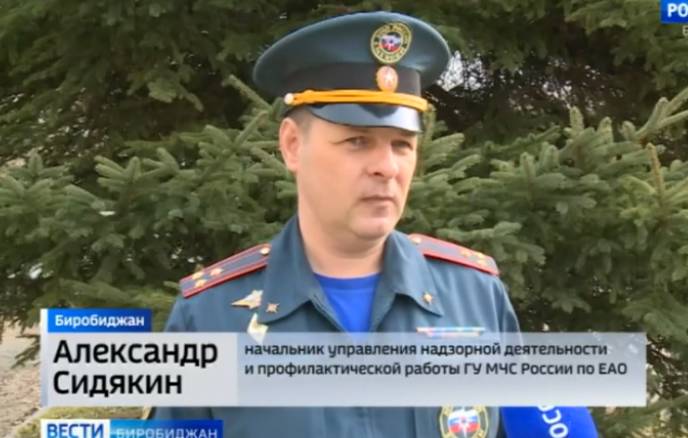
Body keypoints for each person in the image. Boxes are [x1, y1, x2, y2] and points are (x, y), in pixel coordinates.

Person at [150, 11, 597, 437]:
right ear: (292, 146)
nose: (387, 167)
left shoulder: (475, 296)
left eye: (402, 144)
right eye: (357, 141)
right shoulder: (208, 317)